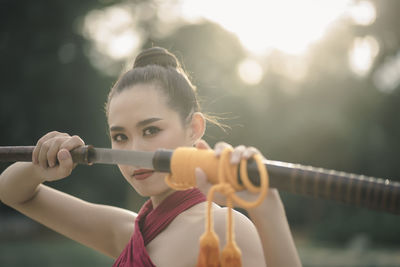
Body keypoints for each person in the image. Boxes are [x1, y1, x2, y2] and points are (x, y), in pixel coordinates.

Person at [0, 47, 300, 266]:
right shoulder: (127, 232)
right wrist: (42, 165)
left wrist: (266, 208)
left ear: (194, 128)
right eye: (120, 137)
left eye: (151, 130)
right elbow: (12, 192)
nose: (133, 151)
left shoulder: (222, 228)